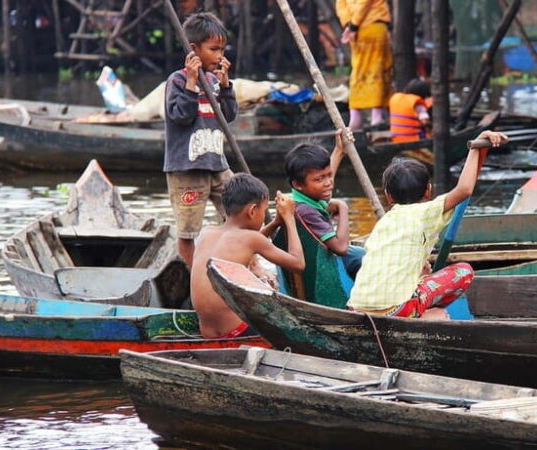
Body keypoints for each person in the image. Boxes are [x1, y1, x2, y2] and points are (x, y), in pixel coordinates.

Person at [347, 130, 508, 319]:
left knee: (423, 275)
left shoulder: (385, 223)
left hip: (356, 308)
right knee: (464, 271)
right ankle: (424, 314)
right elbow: (464, 189)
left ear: (388, 196)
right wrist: (474, 146)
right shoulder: (426, 212)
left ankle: (418, 307)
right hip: (396, 309)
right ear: (428, 191)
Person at [190, 174, 305, 339]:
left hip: (207, 332)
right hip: (236, 332)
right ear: (252, 211)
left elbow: (249, 244)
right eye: (264, 211)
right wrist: (289, 218)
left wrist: (275, 223)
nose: (264, 217)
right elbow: (298, 263)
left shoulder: (206, 233)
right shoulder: (251, 239)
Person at [164, 12, 237, 267]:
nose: (219, 56)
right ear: (194, 50)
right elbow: (180, 116)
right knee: (188, 230)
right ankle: (194, 275)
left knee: (238, 212)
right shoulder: (178, 80)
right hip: (187, 168)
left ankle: (242, 264)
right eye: (213, 49)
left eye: (222, 50)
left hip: (217, 164)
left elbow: (228, 117)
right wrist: (192, 82)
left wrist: (226, 86)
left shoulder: (215, 81)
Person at [284, 129, 365, 279]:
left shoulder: (305, 196)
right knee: (366, 258)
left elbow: (322, 178)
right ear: (298, 184)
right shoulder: (306, 210)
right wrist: (343, 207)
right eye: (319, 179)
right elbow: (341, 247)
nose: (329, 183)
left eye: (329, 176)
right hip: (322, 267)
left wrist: (339, 150)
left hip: (321, 259)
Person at [335, 0, 393, 130]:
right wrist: (354, 25)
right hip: (373, 25)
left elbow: (341, 7)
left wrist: (349, 26)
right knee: (377, 69)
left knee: (359, 70)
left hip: (356, 31)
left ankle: (355, 116)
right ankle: (376, 117)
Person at [389, 78, 432, 143]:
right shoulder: (417, 103)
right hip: (413, 139)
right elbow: (425, 122)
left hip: (396, 139)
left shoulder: (396, 98)